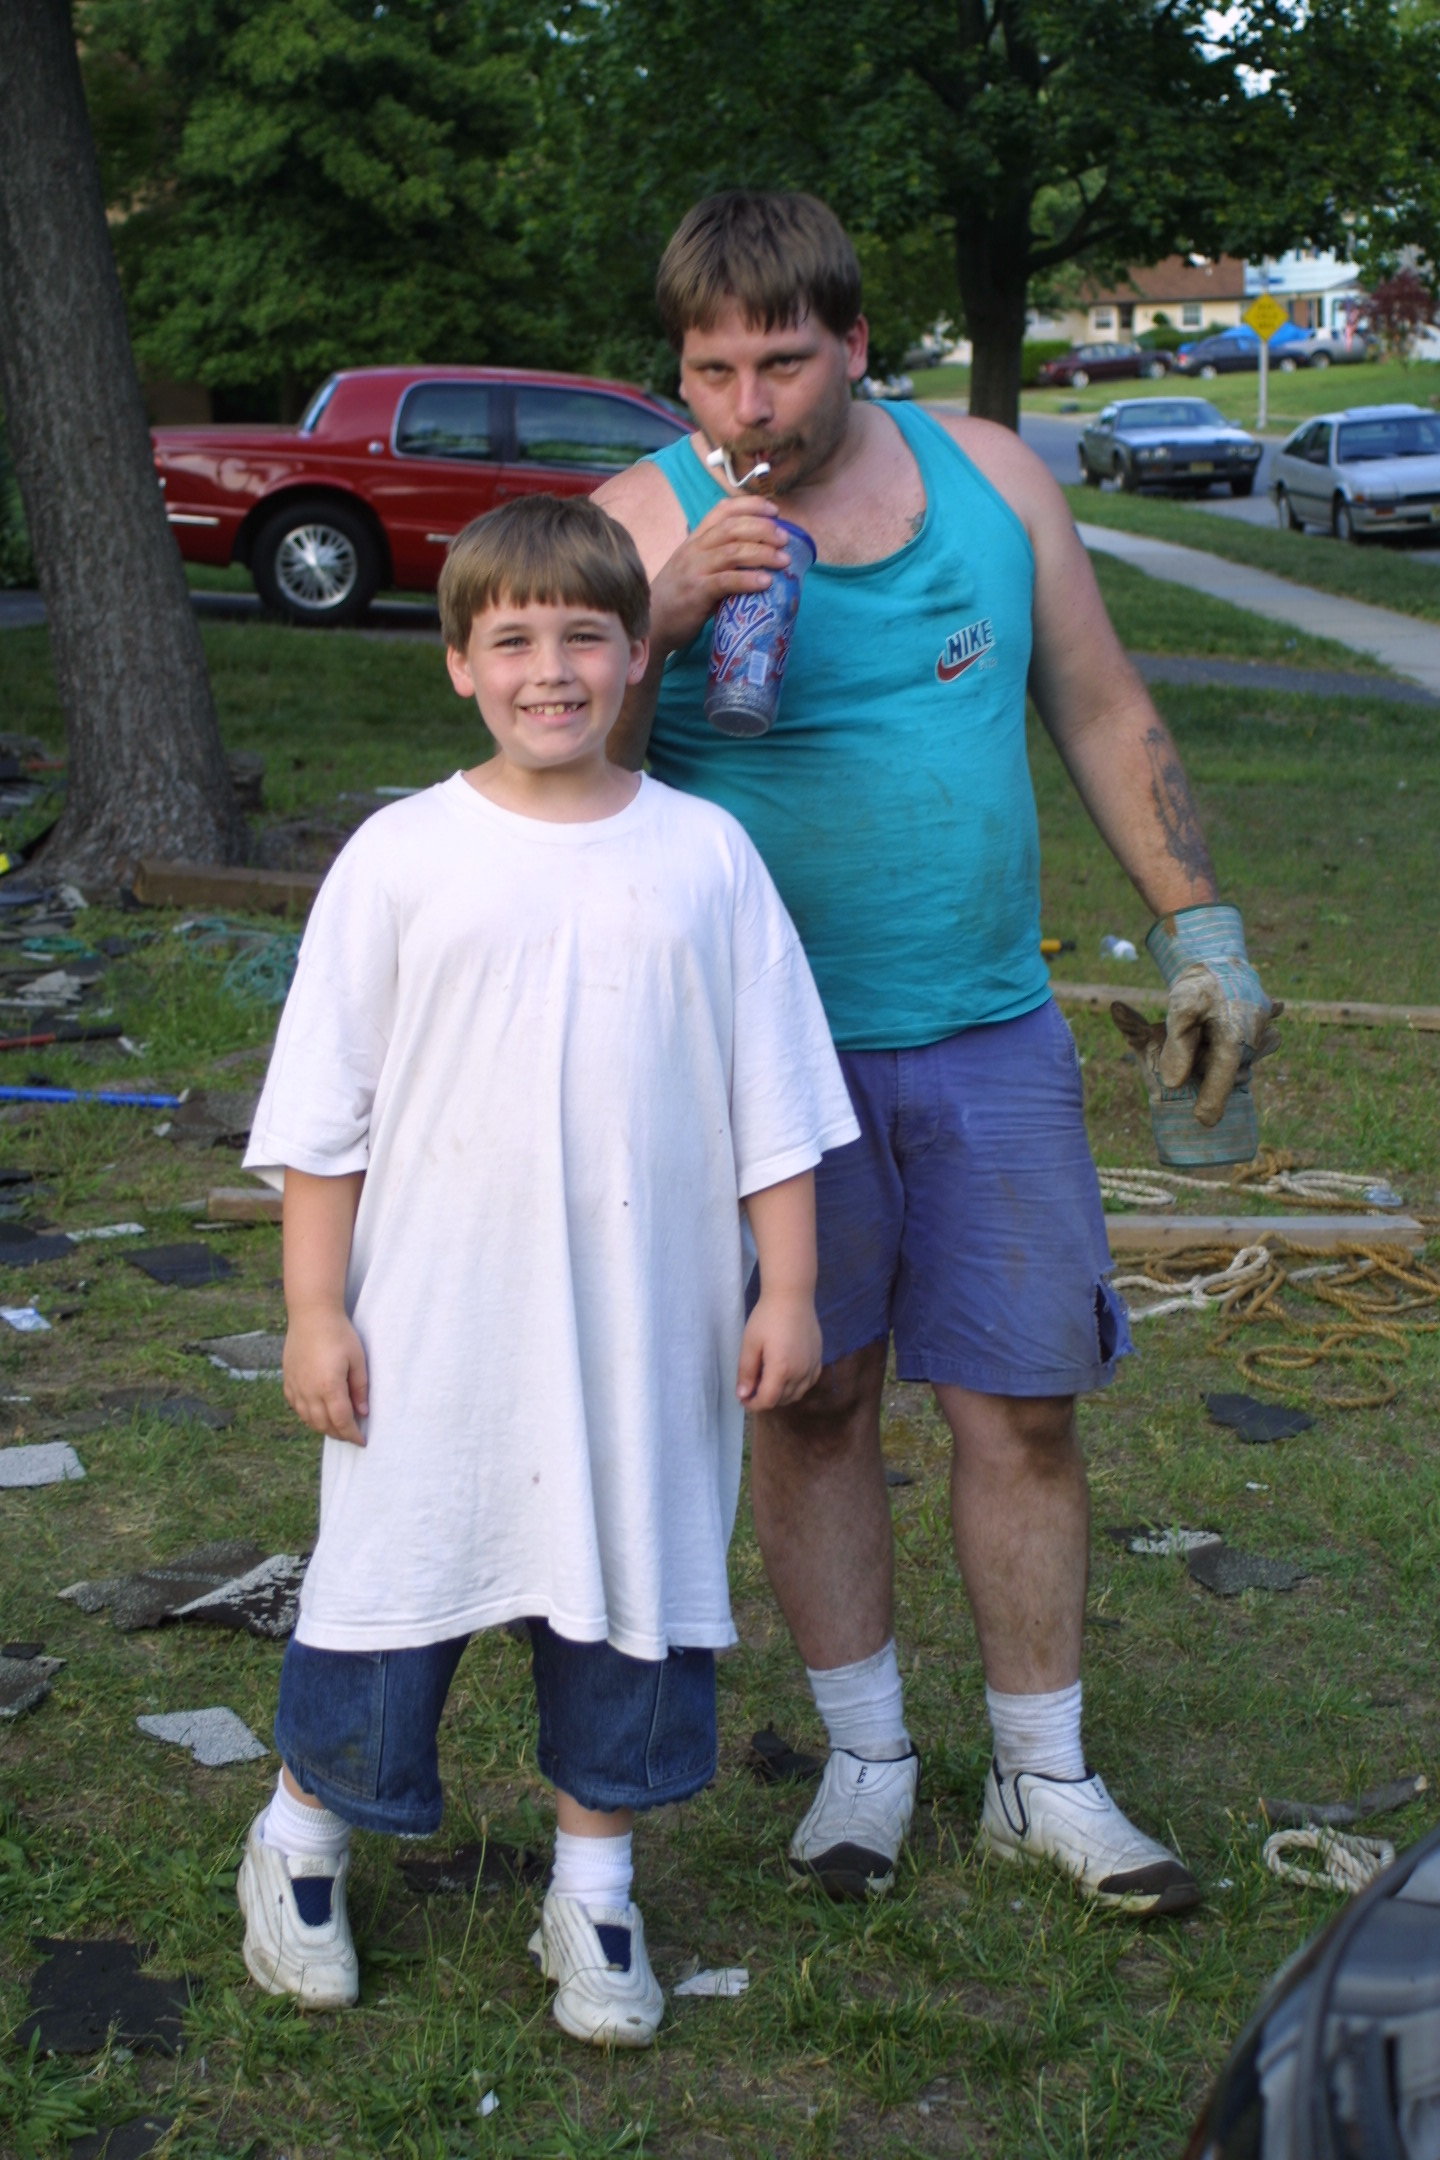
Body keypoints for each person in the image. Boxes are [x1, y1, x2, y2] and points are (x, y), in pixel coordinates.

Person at [595, 190, 1276, 1914]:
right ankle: (868, 1760)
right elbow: (558, 779)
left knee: (1026, 1404)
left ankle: (1044, 1775)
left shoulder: (992, 480)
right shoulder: (635, 520)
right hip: (759, 1063)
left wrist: (1200, 927)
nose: (749, 406)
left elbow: (1100, 703)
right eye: (711, 373)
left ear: (856, 343)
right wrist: (654, 623)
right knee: (815, 1397)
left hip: (987, 1028)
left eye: (782, 363)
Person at [235, 493, 858, 2044]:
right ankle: (300, 1840)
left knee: (627, 1601)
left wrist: (788, 1288)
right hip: (433, 1327)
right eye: (513, 642)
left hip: (648, 1330)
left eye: (585, 636)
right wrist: (313, 1310)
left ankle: (595, 1887)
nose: (552, 672)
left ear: (639, 653)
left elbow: (775, 1100)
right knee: (394, 1590)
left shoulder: (705, 857)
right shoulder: (400, 857)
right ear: (459, 662)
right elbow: (324, 1118)